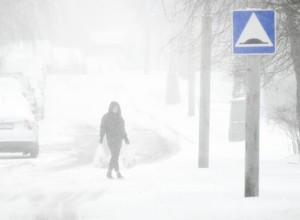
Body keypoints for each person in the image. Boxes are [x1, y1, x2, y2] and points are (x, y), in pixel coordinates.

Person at [99, 101, 130, 179]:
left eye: (117, 108)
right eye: (114, 107)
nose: (115, 109)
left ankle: (109, 172)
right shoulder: (106, 117)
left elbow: (122, 129)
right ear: (111, 108)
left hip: (119, 139)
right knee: (115, 155)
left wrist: (125, 137)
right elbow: (102, 127)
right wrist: (101, 137)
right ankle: (118, 173)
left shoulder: (120, 118)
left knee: (115, 156)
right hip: (110, 139)